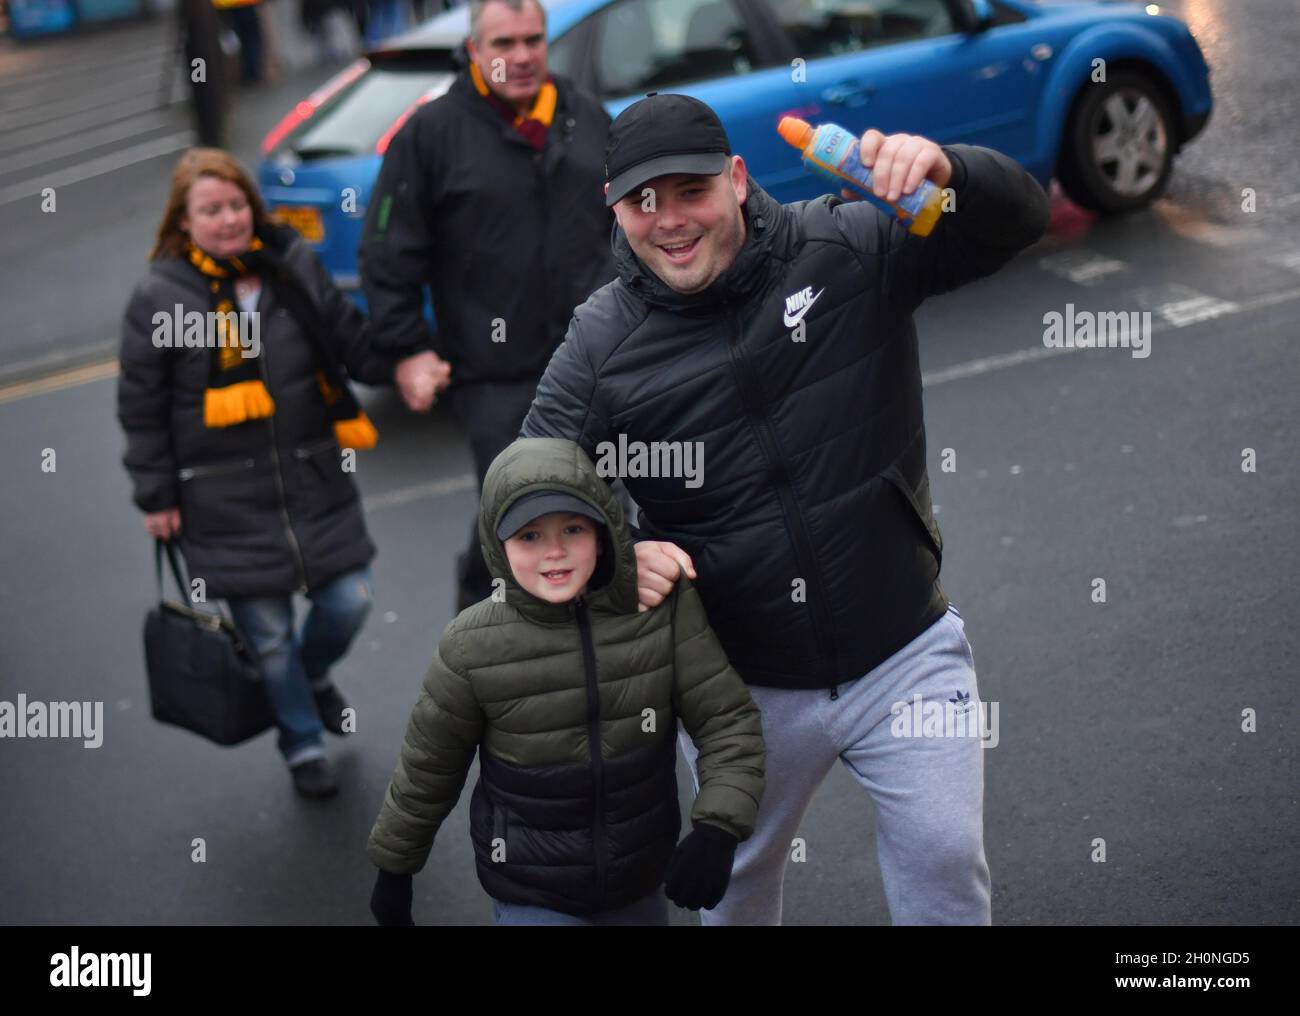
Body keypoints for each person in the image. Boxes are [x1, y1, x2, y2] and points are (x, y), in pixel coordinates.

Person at [520, 94, 1052, 924]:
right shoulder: (600, 344)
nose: (669, 220)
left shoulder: (844, 243)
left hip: (902, 646)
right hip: (742, 688)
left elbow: (1016, 222)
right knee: (733, 887)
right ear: (616, 210)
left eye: (690, 190)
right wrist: (615, 558)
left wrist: (949, 172)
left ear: (736, 180)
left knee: (946, 859)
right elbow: (529, 492)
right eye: (642, 201)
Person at [117, 148, 423, 798]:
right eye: (211, 209)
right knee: (270, 640)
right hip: (220, 498)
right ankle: (301, 742)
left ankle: (312, 682)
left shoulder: (290, 264)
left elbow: (347, 337)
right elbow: (141, 407)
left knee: (349, 602)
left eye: (236, 205)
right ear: (184, 220)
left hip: (313, 479)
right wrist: (156, 494)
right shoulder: (161, 295)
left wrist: (405, 362)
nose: (228, 219)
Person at [366, 438, 765, 925]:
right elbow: (428, 769)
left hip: (638, 877)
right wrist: (395, 869)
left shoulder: (659, 610)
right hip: (531, 888)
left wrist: (718, 829)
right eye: (529, 536)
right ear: (497, 543)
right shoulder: (471, 645)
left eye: (572, 528)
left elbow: (727, 721)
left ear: (603, 529)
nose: (554, 552)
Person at [359, 0, 615, 613]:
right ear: (475, 50)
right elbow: (388, 251)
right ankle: (482, 647)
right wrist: (407, 349)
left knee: (604, 514)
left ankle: (604, 659)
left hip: (595, 363)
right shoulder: (432, 134)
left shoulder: (585, 116)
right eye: (504, 43)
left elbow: (627, 227)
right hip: (496, 375)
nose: (521, 56)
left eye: (533, 40)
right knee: (515, 518)